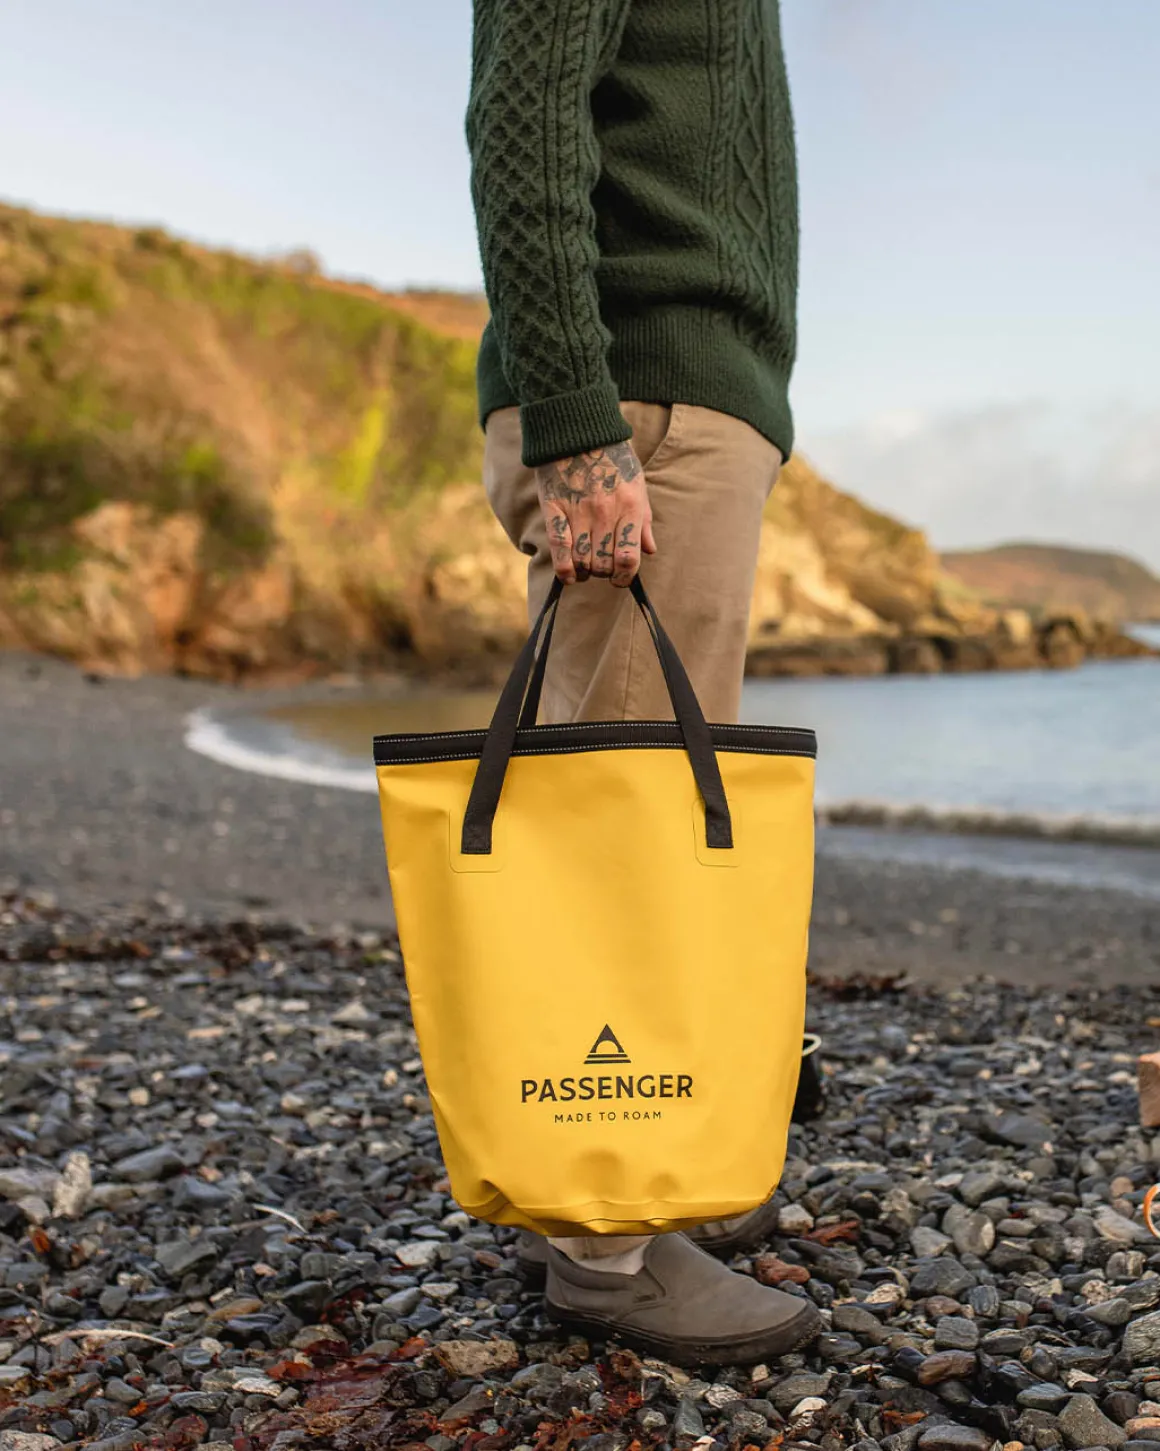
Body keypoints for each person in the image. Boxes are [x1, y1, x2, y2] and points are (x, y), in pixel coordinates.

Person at [466, 0, 820, 1364]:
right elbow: (525, 124)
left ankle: (640, 1174)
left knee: (655, 827)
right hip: (641, 409)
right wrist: (577, 424)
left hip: (681, 405)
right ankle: (605, 1254)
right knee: (620, 835)